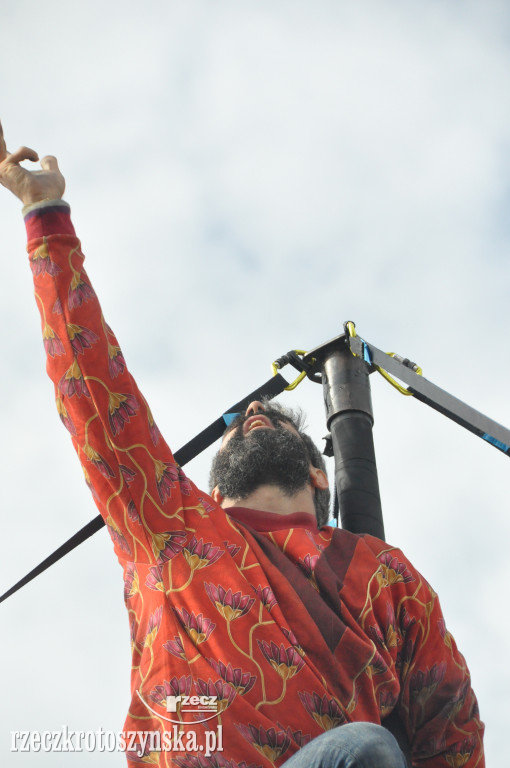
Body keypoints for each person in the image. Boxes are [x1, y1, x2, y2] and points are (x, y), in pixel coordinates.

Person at [0, 122, 484, 767]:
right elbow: (93, 392)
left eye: (277, 418)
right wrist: (44, 214)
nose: (255, 408)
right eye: (241, 420)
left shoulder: (390, 579)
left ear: (319, 479)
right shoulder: (172, 526)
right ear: (217, 489)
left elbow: (453, 734)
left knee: (368, 750)